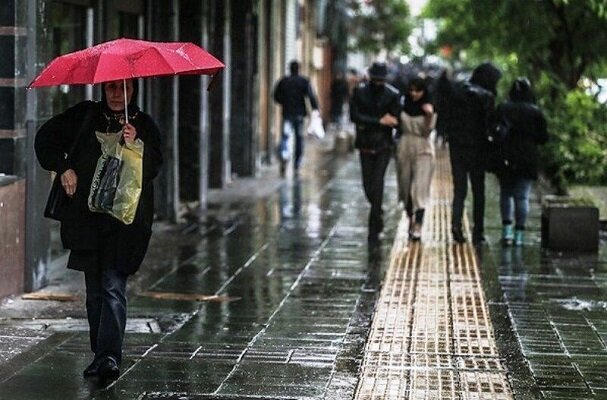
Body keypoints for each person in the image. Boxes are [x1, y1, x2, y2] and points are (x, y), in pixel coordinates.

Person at [34, 79, 163, 381]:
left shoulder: (143, 124)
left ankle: (109, 356)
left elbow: (155, 166)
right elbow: (45, 139)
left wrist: (137, 145)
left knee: (112, 287)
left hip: (124, 225)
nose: (117, 95)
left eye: (124, 89)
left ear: (134, 91)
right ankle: (100, 355)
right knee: (94, 293)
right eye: (111, 89)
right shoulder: (85, 116)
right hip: (87, 222)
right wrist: (63, 167)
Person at [436, 62, 502, 244]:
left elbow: (446, 114)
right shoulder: (487, 96)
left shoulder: (458, 90)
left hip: (457, 146)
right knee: (478, 190)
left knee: (460, 189)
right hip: (478, 148)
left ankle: (456, 225)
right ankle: (478, 231)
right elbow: (490, 125)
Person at [350, 61, 401, 244]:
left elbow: (395, 119)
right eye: (375, 79)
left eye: (381, 80)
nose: (378, 83)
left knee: (377, 182)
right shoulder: (360, 92)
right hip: (365, 143)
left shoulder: (392, 94)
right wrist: (379, 121)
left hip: (383, 145)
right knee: (367, 185)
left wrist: (388, 123)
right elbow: (354, 116)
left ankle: (374, 225)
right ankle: (377, 211)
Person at [495, 77, 548, 245]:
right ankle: (519, 234)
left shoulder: (503, 108)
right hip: (528, 158)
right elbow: (543, 138)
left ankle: (506, 231)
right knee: (522, 197)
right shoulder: (535, 112)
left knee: (506, 193)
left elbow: (494, 130)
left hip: (505, 156)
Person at [396, 77, 437, 241]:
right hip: (404, 146)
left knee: (420, 188)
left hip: (423, 148)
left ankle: (419, 224)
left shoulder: (430, 106)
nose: (414, 94)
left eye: (418, 90)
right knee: (405, 187)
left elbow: (428, 131)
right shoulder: (401, 104)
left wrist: (428, 116)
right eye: (411, 90)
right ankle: (410, 218)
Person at [273, 60, 319, 177]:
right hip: (299, 114)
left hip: (287, 113)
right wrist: (315, 108)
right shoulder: (303, 81)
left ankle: (284, 156)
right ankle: (296, 165)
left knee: (285, 137)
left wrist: (283, 102)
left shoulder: (284, 81)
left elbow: (276, 96)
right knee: (299, 140)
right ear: (299, 69)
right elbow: (311, 96)